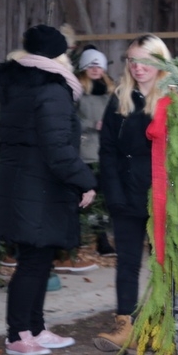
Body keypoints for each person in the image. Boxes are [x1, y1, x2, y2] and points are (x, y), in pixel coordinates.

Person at [0, 25, 97, 355]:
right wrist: (84, 180)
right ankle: (18, 335)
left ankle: (35, 329)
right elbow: (58, 147)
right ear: (60, 55)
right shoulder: (52, 89)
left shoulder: (19, 84)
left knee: (37, 261)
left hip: (26, 184)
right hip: (39, 187)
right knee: (33, 263)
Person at [94, 34, 174, 352]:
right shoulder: (120, 98)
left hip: (162, 196)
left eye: (145, 60)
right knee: (127, 262)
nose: (137, 67)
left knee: (163, 264)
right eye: (132, 60)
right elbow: (107, 151)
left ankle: (161, 326)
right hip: (126, 194)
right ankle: (125, 325)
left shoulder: (173, 98)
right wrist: (113, 193)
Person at [74, 46, 116, 260]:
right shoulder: (77, 90)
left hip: (107, 150)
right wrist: (92, 124)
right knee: (86, 196)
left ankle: (102, 239)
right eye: (91, 65)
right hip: (86, 151)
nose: (95, 69)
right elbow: (70, 119)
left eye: (98, 65)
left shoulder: (110, 91)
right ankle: (78, 238)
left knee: (103, 199)